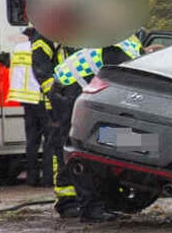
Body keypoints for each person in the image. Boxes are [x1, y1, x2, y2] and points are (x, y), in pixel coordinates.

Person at [50, 34, 142, 221]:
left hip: (72, 89)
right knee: (83, 148)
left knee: (97, 143)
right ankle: (89, 208)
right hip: (70, 93)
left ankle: (97, 201)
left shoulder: (127, 42)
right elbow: (119, 88)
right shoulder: (119, 49)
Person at [7, 26, 62, 187]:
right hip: (38, 97)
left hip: (25, 99)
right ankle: (48, 178)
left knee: (32, 141)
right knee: (49, 140)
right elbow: (41, 73)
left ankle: (31, 179)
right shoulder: (40, 48)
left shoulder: (18, 49)